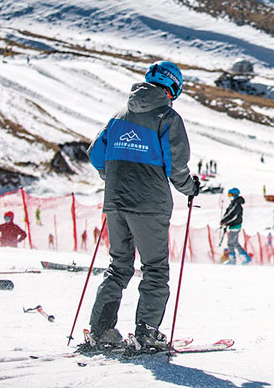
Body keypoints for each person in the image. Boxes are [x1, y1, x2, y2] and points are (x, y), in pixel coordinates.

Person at [85, 60, 200, 350]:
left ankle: (101, 330)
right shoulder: (167, 118)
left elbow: (96, 155)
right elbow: (176, 167)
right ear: (174, 86)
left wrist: (115, 176)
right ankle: (147, 332)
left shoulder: (119, 116)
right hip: (149, 205)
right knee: (155, 270)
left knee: (118, 266)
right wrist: (191, 188)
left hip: (115, 202)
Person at [221, 188, 251, 264]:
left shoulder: (236, 204)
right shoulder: (234, 203)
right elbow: (228, 213)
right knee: (235, 242)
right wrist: (224, 221)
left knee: (230, 243)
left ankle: (232, 260)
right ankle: (245, 257)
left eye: (230, 195)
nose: (229, 196)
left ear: (235, 195)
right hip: (234, 225)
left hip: (235, 226)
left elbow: (232, 215)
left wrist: (225, 221)